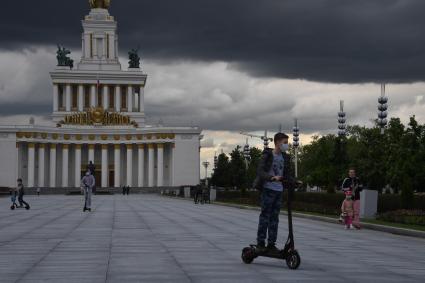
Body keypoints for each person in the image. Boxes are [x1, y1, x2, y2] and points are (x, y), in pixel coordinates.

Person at [255, 132, 293, 253]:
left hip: (279, 190)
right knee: (265, 217)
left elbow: (286, 174)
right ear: (277, 142)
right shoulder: (267, 155)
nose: (287, 145)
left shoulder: (285, 157)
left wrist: (294, 181)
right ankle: (260, 243)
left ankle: (271, 244)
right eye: (285, 143)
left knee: (275, 218)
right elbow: (260, 171)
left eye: (287, 143)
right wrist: (271, 177)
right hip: (268, 189)